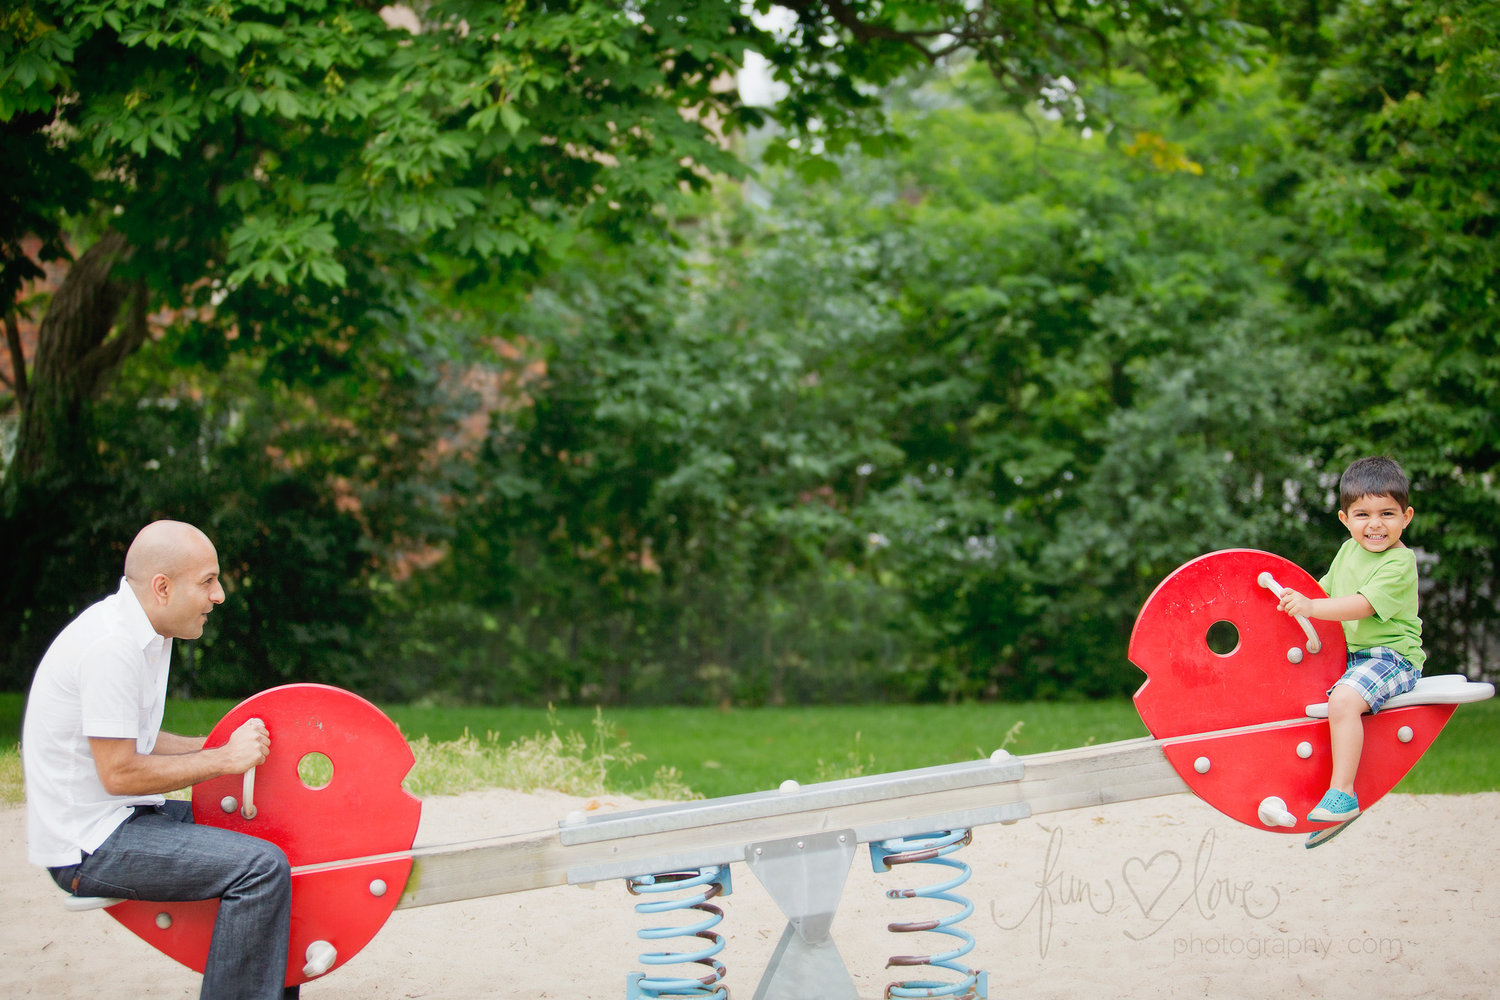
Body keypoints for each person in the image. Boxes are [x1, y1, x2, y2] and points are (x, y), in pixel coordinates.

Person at [23, 520, 298, 1000]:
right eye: (208, 582)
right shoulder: (112, 646)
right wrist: (222, 758)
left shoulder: (148, 631)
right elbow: (120, 772)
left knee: (269, 836)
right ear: (163, 587)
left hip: (123, 819)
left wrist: (208, 742)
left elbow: (137, 740)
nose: (220, 596)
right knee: (261, 866)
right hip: (89, 844)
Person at [1276, 457, 1423, 846]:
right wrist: (1298, 604)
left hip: (1390, 657)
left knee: (1342, 701)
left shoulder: (1400, 562)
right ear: (1345, 519)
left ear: (1406, 517)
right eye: (1363, 514)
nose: (1375, 524)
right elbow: (1324, 592)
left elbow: (1359, 604)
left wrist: (1310, 607)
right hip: (1351, 657)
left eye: (1387, 513)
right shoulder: (1347, 552)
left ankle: (1343, 794)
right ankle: (1310, 790)